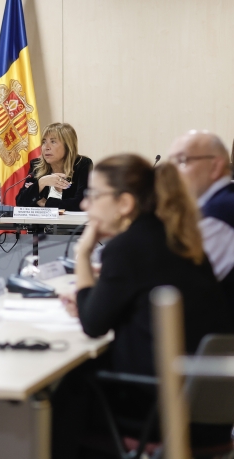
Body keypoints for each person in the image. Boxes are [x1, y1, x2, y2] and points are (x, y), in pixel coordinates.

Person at [55, 154, 233, 457]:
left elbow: (93, 324)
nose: (85, 205)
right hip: (211, 414)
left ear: (125, 203)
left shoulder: (128, 247)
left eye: (93, 196)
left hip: (157, 414)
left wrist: (83, 253)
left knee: (63, 391)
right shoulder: (179, 240)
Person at [169, 130, 234, 318]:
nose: (174, 172)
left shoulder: (221, 214)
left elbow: (182, 283)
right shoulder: (214, 205)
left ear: (215, 167)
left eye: (182, 161)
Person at [15, 123, 92, 211]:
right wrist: (41, 182)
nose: (46, 147)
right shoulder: (37, 165)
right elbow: (20, 201)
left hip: (70, 224)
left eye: (53, 142)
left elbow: (81, 203)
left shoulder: (82, 164)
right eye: (44, 142)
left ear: (67, 146)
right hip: (40, 224)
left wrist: (46, 203)